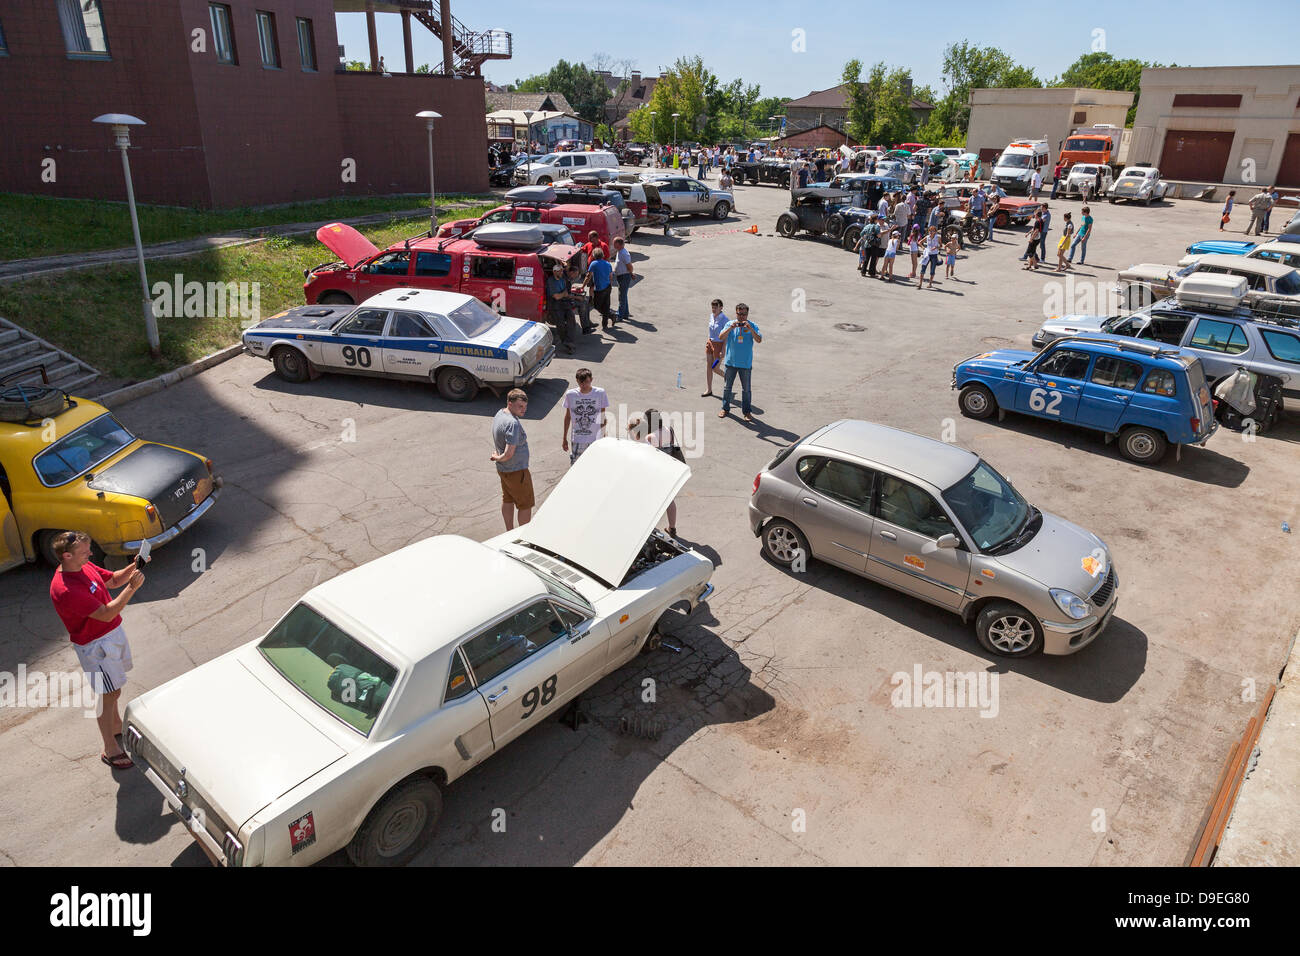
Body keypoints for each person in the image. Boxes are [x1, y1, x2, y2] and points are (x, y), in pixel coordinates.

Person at [49, 530, 145, 771]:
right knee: (108, 693)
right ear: (66, 556)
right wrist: (132, 588)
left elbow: (112, 580)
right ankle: (109, 748)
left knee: (113, 690)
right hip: (96, 647)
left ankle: (115, 726)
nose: (90, 554)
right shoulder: (65, 589)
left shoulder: (83, 567)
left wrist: (134, 567)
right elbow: (106, 613)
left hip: (110, 636)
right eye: (84, 552)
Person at [490, 389, 533, 530]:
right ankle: (522, 536)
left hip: (504, 471)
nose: (524, 410)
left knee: (507, 499)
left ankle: (509, 531)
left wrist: (499, 459)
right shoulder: (512, 423)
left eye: (525, 406)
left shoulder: (500, 413)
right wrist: (498, 457)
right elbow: (509, 454)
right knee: (525, 505)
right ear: (510, 403)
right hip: (517, 471)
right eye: (520, 406)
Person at [641, 409, 685, 536]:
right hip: (670, 469)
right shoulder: (669, 430)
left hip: (656, 472)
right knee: (670, 500)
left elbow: (648, 457)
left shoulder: (650, 437)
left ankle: (649, 528)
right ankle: (672, 528)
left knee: (651, 500)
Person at [718, 303, 761, 422]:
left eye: (744, 314)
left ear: (747, 314)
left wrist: (750, 329)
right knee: (727, 388)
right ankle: (725, 408)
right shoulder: (729, 324)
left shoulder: (752, 325)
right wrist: (731, 328)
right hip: (730, 363)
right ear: (736, 313)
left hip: (745, 364)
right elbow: (721, 337)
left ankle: (747, 412)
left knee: (746, 389)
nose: (741, 317)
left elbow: (759, 340)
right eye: (739, 314)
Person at [562, 368, 609, 464]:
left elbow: (602, 416)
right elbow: (568, 417)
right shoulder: (570, 395)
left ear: (591, 380)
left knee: (595, 465)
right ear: (577, 381)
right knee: (577, 465)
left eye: (587, 382)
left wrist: (604, 435)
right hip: (578, 439)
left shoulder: (600, 393)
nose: (584, 385)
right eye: (581, 382)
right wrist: (564, 438)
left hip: (596, 438)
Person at [545, 264, 577, 352]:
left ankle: (569, 341)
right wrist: (562, 294)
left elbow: (565, 292)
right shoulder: (551, 281)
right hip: (555, 304)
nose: (562, 273)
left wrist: (562, 295)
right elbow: (556, 296)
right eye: (560, 271)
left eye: (562, 271)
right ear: (554, 272)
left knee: (571, 318)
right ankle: (566, 342)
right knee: (560, 323)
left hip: (564, 302)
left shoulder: (562, 280)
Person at [704, 298, 729, 396]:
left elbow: (726, 336)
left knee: (715, 368)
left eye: (716, 308)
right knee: (709, 366)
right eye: (712, 307)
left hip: (719, 345)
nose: (713, 309)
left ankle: (728, 378)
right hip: (710, 343)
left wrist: (723, 349)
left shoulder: (725, 320)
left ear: (721, 308)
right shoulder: (711, 316)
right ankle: (709, 389)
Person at [585, 247, 615, 329]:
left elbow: (588, 276)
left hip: (600, 289)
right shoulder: (608, 264)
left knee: (596, 305)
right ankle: (605, 324)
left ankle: (611, 315)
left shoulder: (594, 263)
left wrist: (583, 286)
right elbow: (611, 276)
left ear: (594, 255)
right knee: (606, 306)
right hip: (607, 287)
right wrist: (610, 286)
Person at [611, 236, 633, 321]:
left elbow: (629, 266)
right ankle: (625, 314)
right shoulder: (619, 252)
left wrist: (631, 273)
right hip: (621, 276)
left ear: (619, 244)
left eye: (614, 243)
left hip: (624, 276)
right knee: (623, 296)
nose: (613, 245)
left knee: (622, 297)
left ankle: (620, 316)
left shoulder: (624, 253)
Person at [857, 213, 883, 277]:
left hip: (867, 244)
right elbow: (878, 235)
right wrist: (880, 236)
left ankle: (863, 271)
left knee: (866, 259)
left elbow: (861, 234)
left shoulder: (867, 226)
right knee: (873, 259)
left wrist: (866, 238)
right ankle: (871, 273)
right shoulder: (876, 226)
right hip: (874, 244)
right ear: (875, 220)